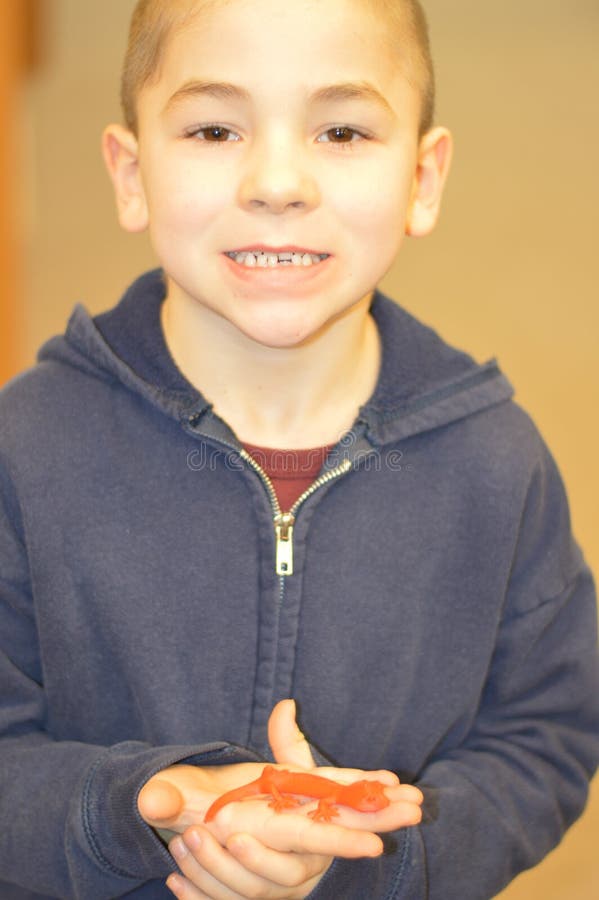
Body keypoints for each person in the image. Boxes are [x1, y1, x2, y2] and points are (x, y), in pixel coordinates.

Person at [0, 0, 597, 897]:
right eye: (213, 127)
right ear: (130, 174)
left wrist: (372, 847)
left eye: (342, 131)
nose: (278, 180)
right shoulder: (26, 445)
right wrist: (141, 807)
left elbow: (548, 736)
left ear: (423, 179)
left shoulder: (494, 464)